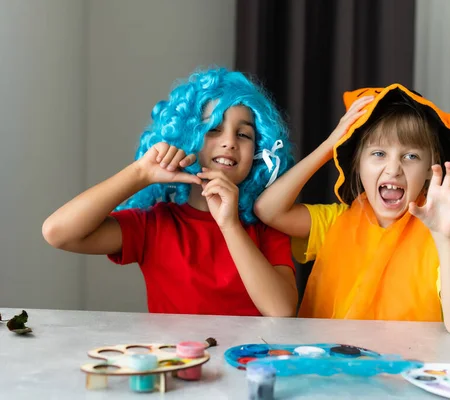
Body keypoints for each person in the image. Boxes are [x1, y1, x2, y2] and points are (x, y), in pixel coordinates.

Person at [43, 67, 298, 317]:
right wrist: (140, 174)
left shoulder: (266, 224)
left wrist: (229, 225)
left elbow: (281, 310)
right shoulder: (154, 224)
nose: (229, 142)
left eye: (243, 134)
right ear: (187, 138)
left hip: (247, 359)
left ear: (258, 152)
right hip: (175, 360)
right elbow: (58, 232)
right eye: (213, 129)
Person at [254, 84, 450, 335]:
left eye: (411, 156)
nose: (393, 169)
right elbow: (268, 210)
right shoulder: (333, 222)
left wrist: (445, 238)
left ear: (431, 168)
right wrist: (329, 146)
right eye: (379, 153)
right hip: (332, 369)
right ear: (358, 163)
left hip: (408, 368)